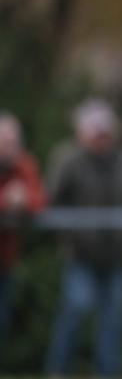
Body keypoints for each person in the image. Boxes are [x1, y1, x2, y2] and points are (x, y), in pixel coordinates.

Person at [44, 99, 122, 378]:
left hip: (116, 255)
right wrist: (70, 237)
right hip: (80, 255)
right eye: (95, 132)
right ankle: (58, 374)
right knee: (75, 311)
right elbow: (52, 201)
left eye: (105, 132)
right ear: (82, 132)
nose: (101, 138)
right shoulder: (67, 160)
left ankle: (109, 378)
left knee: (113, 321)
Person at [0, 112, 46, 349]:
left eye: (15, 143)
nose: (11, 148)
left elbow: (39, 200)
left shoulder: (24, 165)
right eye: (6, 143)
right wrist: (5, 200)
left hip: (5, 261)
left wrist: (23, 200)